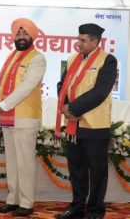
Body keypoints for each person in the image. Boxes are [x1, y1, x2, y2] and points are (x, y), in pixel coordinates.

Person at [54, 24, 117, 219]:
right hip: (73, 126)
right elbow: (61, 85)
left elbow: (100, 92)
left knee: (98, 172)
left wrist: (74, 109)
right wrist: (65, 106)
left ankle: (95, 211)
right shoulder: (73, 58)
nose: (77, 43)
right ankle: (77, 207)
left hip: (95, 126)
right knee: (77, 170)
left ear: (95, 41)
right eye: (78, 38)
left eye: (82, 40)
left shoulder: (107, 60)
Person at [0, 18, 46, 217]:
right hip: (8, 118)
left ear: (32, 36)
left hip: (25, 118)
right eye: (18, 34)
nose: (21, 37)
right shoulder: (12, 57)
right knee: (12, 161)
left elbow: (26, 88)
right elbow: (7, 86)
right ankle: (13, 199)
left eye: (24, 34)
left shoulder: (37, 58)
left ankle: (26, 203)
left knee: (25, 162)